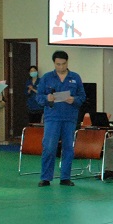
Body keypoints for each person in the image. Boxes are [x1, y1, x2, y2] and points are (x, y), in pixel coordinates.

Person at [36, 51, 85, 187]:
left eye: (63, 64)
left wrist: (74, 99)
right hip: (52, 117)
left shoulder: (75, 77)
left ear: (67, 63)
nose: (61, 67)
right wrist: (47, 98)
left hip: (70, 118)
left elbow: (82, 97)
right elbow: (38, 97)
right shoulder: (46, 78)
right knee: (49, 147)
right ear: (54, 63)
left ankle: (65, 177)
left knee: (68, 148)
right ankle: (46, 177)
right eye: (58, 64)